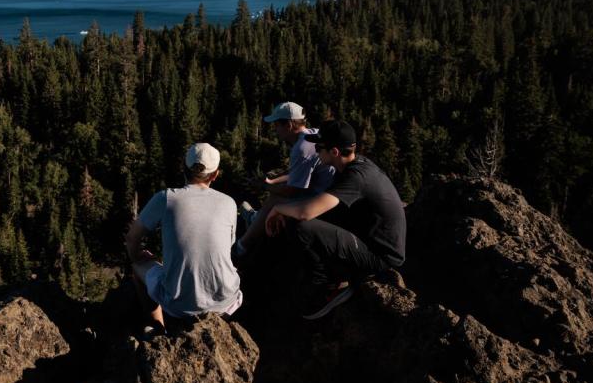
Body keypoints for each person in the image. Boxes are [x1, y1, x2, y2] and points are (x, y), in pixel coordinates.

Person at [263, 120, 406, 320]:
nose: (315, 151)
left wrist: (278, 208)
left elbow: (305, 212)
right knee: (300, 219)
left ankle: (331, 285)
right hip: (367, 236)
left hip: (381, 256)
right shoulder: (355, 166)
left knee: (300, 224)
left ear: (335, 152)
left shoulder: (355, 178)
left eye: (319, 147)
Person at [126, 143, 242, 335]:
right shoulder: (229, 203)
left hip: (180, 308)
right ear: (215, 175)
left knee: (137, 268)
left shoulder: (166, 198)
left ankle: (157, 326)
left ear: (184, 168)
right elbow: (225, 250)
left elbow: (132, 238)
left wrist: (137, 257)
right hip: (226, 303)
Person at [234, 101, 334, 255]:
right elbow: (300, 173)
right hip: (325, 192)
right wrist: (271, 181)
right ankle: (257, 218)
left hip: (321, 200)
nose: (275, 129)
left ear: (288, 125)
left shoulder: (301, 148)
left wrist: (264, 186)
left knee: (276, 198)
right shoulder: (312, 134)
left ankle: (242, 245)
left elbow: (290, 191)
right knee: (276, 193)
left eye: (277, 125)